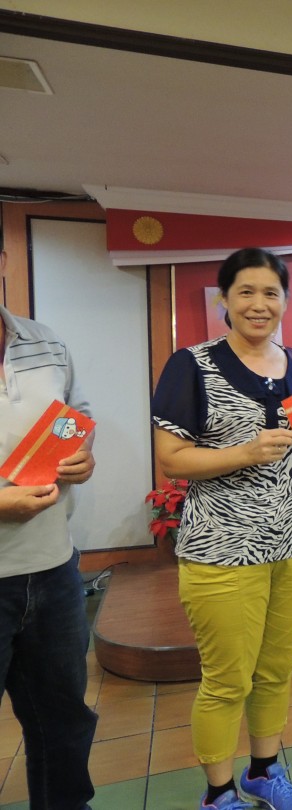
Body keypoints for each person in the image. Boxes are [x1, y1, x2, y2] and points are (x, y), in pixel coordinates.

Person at [152, 248, 292, 810]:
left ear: (286, 301)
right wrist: (244, 452)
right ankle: (218, 793)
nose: (258, 304)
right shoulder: (191, 365)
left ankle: (263, 772)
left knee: (276, 668)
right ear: (224, 299)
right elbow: (171, 459)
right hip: (220, 545)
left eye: (271, 293)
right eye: (245, 291)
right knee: (227, 679)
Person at [0, 246, 98, 809]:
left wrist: (83, 456)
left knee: (62, 723)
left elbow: (76, 417)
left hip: (55, 570)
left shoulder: (46, 342)